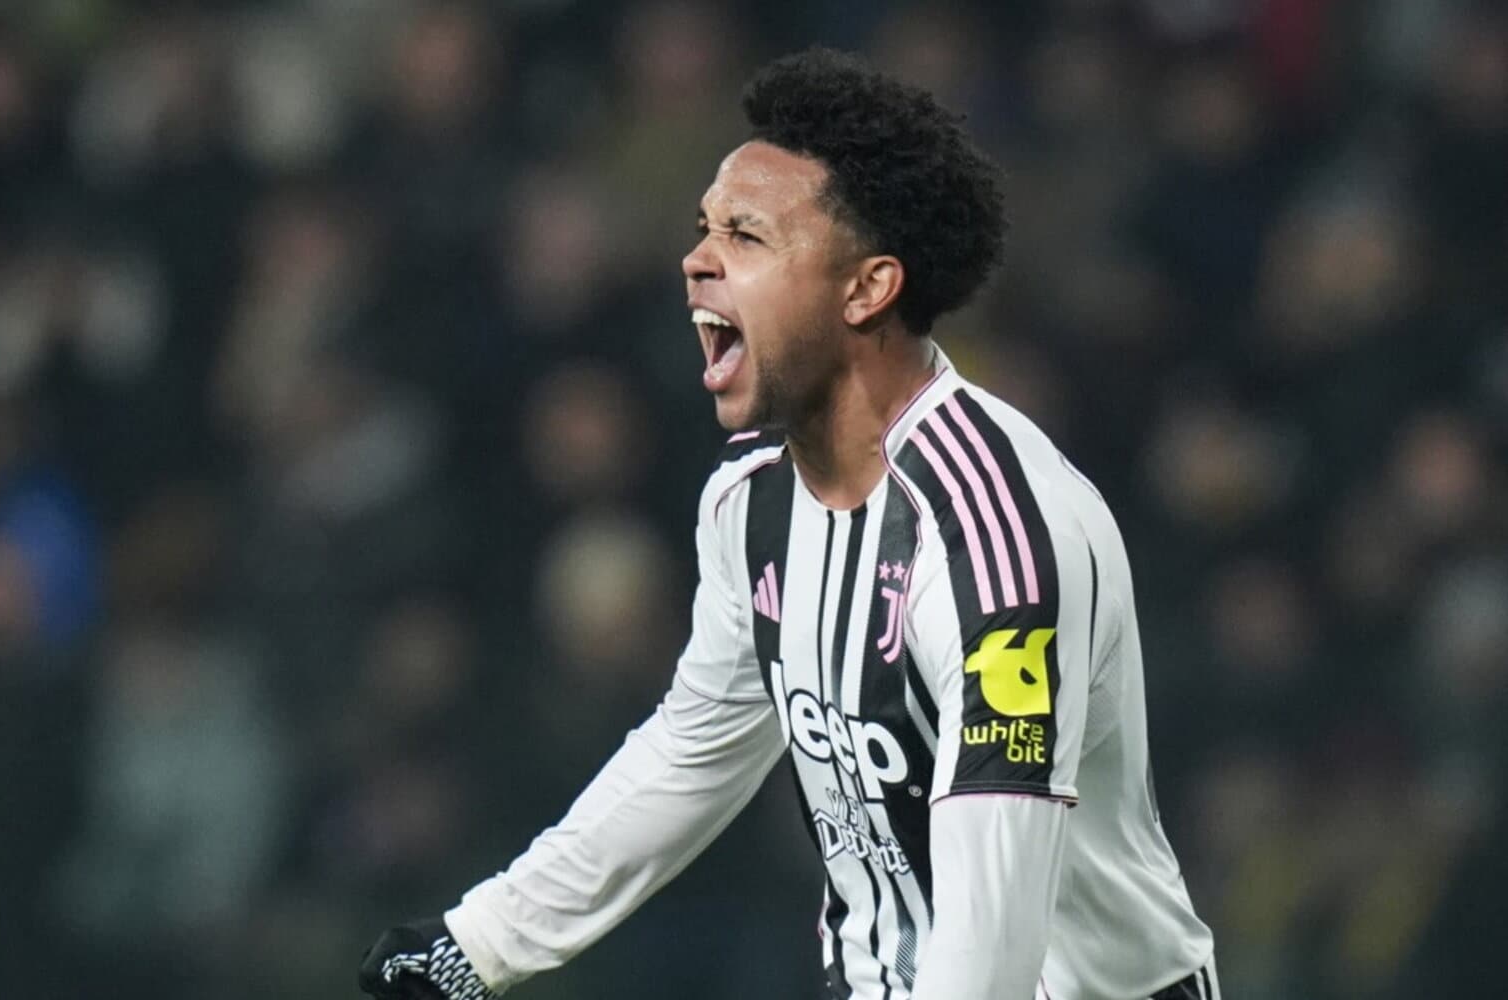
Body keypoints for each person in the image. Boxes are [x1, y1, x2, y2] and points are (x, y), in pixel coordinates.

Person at [358, 48, 1216, 1000]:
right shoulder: (752, 500)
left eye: (746, 235)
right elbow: (693, 752)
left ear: (866, 289)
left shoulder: (994, 544)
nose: (696, 260)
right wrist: (478, 946)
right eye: (703, 228)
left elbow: (991, 931)